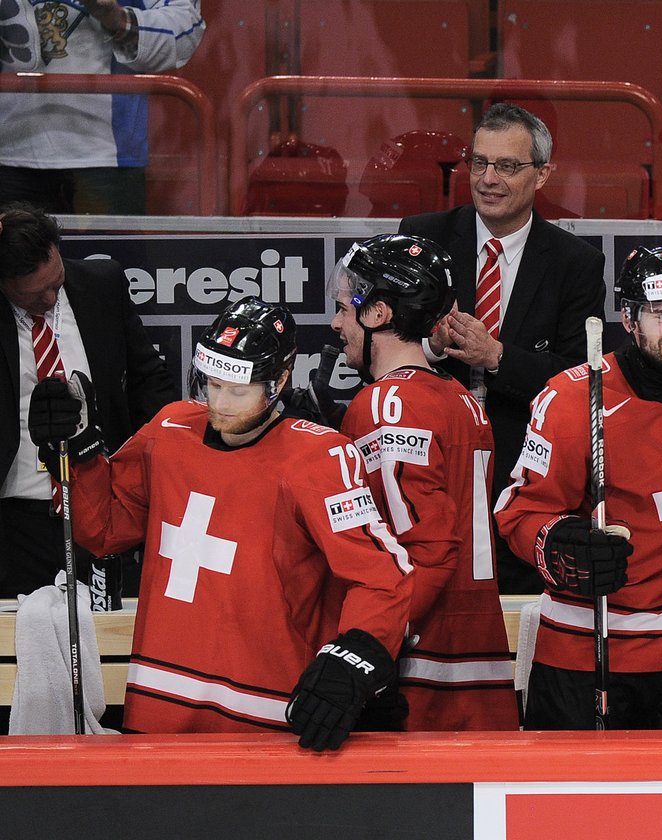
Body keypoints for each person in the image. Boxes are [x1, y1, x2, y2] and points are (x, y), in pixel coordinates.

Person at [27, 297, 413, 751]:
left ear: (280, 380)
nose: (220, 402)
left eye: (238, 389)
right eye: (212, 384)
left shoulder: (320, 458)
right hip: (157, 708)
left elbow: (383, 577)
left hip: (267, 715)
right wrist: (78, 454)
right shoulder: (169, 431)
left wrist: (356, 654)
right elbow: (106, 529)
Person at [494, 245, 662, 730]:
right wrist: (560, 545)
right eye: (661, 315)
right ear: (628, 319)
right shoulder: (571, 398)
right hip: (584, 656)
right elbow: (518, 514)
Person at [399, 102, 606, 594]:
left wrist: (495, 357)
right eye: (479, 163)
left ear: (543, 174)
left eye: (508, 166)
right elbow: (379, 347)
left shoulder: (575, 263)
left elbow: (579, 382)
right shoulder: (420, 238)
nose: (488, 178)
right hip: (428, 460)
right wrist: (431, 347)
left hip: (521, 466)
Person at [328, 233, 519, 731]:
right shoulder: (460, 396)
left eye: (345, 308)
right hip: (476, 659)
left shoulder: (387, 405)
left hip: (418, 674)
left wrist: (367, 650)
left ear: (377, 314)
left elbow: (421, 550)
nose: (336, 323)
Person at [0, 201, 177, 601]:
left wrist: (151, 473)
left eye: (56, 282)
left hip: (102, 514)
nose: (49, 298)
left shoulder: (102, 284)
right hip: (15, 526)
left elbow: (150, 383)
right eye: (33, 295)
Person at [0, 0, 206, 214]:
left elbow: (186, 27)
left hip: (107, 155)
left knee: (111, 247)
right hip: (9, 151)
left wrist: (117, 18)